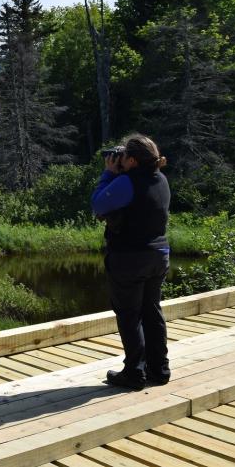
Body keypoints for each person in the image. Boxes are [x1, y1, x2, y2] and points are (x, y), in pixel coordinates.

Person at [91, 134, 171, 391]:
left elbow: (98, 204)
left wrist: (108, 175)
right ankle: (159, 369)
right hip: (158, 254)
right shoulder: (161, 179)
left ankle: (134, 373)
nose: (118, 158)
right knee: (152, 311)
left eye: (123, 155)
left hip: (129, 258)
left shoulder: (126, 182)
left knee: (129, 315)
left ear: (133, 160)